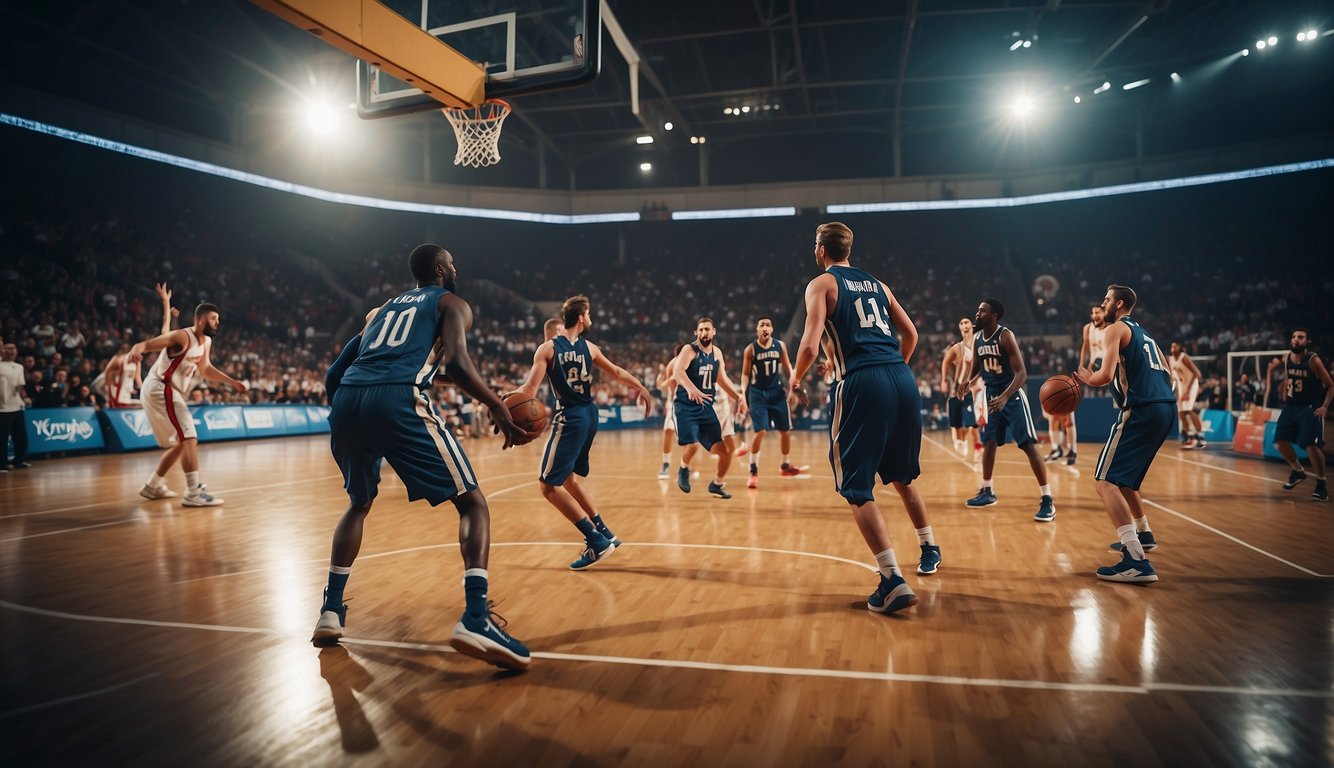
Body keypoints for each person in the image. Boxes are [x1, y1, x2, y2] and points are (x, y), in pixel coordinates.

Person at [312, 244, 534, 671]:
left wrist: (352, 414)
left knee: (358, 503)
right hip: (397, 399)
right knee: (472, 502)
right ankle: (475, 618)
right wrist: (497, 405)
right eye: (452, 263)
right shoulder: (452, 303)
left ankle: (330, 611)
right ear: (438, 269)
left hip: (347, 401)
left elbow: (334, 374)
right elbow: (461, 364)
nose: (457, 268)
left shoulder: (382, 312)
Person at [790, 222, 938, 616]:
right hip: (901, 378)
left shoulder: (821, 283)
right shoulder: (879, 284)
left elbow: (808, 343)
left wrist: (794, 379)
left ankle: (891, 578)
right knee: (902, 477)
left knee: (856, 487)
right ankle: (929, 545)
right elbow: (911, 334)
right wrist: (891, 370)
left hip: (862, 383)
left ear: (820, 249)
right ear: (848, 248)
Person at [516, 295, 653, 569]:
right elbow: (615, 371)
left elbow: (528, 391)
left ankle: (595, 540)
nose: (590, 319)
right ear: (580, 318)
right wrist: (641, 387)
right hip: (591, 415)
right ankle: (605, 532)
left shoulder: (547, 350)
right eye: (589, 315)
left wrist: (501, 402)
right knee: (568, 480)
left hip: (570, 417)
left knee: (547, 485)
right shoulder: (589, 347)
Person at [1074, 284, 1176, 582]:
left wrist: (1085, 378)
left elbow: (1103, 375)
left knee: (1105, 483)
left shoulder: (1114, 329)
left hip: (1143, 409)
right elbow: (1169, 376)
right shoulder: (1146, 335)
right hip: (1165, 408)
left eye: (1105, 299)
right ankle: (1144, 534)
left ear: (1118, 304)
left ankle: (1136, 560)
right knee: (1125, 481)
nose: (1102, 303)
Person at [129, 301, 248, 505]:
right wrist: (137, 349)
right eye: (213, 318)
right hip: (160, 387)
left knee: (181, 443)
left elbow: (205, 369)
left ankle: (152, 486)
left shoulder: (206, 343)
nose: (218, 322)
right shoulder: (183, 337)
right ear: (201, 320)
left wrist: (232, 382)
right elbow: (147, 344)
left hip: (169, 390)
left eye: (218, 319)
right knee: (190, 437)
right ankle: (193, 492)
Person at [957, 298, 1055, 522]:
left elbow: (1021, 373)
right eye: (977, 309)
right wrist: (967, 382)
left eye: (982, 311)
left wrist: (1005, 397)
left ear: (994, 316)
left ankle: (1047, 499)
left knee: (1028, 446)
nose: (977, 313)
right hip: (992, 398)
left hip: (1011, 396)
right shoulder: (978, 338)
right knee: (989, 444)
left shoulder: (1005, 336)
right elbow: (977, 369)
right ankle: (987, 490)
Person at [669, 317, 744, 499]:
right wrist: (692, 390)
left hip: (705, 408)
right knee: (693, 446)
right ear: (696, 332)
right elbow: (677, 371)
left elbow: (722, 379)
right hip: (685, 407)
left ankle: (717, 484)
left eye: (707, 329)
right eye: (701, 329)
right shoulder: (689, 350)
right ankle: (683, 469)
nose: (704, 333)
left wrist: (739, 396)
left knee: (726, 452)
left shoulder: (717, 353)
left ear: (714, 331)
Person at [1267, 329, 1332, 501]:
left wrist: (1325, 406)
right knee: (1279, 441)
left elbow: (1331, 385)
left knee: (1311, 445)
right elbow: (1289, 375)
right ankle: (1297, 470)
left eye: (1300, 337)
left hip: (1310, 407)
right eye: (1294, 337)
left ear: (1307, 341)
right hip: (1291, 406)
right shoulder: (1286, 357)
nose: (1296, 340)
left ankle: (1321, 485)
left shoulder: (1313, 360)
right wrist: (1283, 387)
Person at [741, 316, 801, 489]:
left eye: (768, 325)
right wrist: (742, 393)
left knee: (785, 431)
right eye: (762, 325)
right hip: (757, 393)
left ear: (772, 329)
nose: (765, 328)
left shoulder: (780, 346)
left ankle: (784, 465)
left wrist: (793, 383)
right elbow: (745, 374)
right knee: (760, 431)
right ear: (757, 330)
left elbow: (787, 367)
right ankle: (753, 470)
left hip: (776, 392)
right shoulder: (750, 349)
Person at [940, 317, 981, 461]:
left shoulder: (979, 345)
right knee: (956, 424)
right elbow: (945, 361)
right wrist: (944, 380)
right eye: (961, 323)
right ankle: (959, 440)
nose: (964, 325)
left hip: (973, 390)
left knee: (973, 425)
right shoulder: (957, 347)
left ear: (972, 326)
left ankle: (977, 449)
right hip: (957, 389)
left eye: (967, 322)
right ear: (960, 328)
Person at [0, 342, 31, 472]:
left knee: (20, 436)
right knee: (2, 438)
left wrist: (25, 398)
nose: (11, 351)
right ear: (3, 350)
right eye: (8, 348)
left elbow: (20, 387)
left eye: (14, 348)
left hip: (17, 406)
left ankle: (18, 460)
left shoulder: (19, 367)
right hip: (2, 408)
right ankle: (2, 464)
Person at [1169, 342, 1207, 449]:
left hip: (1191, 384)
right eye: (1172, 346)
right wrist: (1179, 392)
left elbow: (1196, 373)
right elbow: (1175, 378)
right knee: (1181, 411)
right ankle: (1190, 436)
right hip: (1182, 386)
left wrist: (1187, 391)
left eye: (1175, 346)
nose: (1173, 348)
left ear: (1181, 347)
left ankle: (1200, 436)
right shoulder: (1171, 359)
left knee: (1190, 410)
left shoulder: (1183, 357)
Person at [655, 352, 678, 478]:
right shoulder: (672, 365)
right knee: (668, 431)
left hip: (689, 405)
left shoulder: (692, 364)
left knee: (691, 439)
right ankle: (665, 464)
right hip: (674, 404)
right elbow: (662, 385)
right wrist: (661, 377)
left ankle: (687, 466)